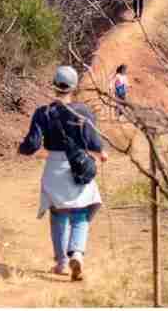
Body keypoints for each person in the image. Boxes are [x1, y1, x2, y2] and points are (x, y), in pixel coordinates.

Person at [18, 65, 108, 280]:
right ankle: (77, 253)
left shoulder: (44, 113)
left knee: (59, 214)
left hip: (55, 167)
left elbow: (32, 144)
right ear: (74, 86)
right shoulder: (84, 112)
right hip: (79, 166)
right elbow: (94, 142)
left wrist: (21, 149)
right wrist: (102, 153)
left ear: (54, 85)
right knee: (81, 213)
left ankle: (62, 263)